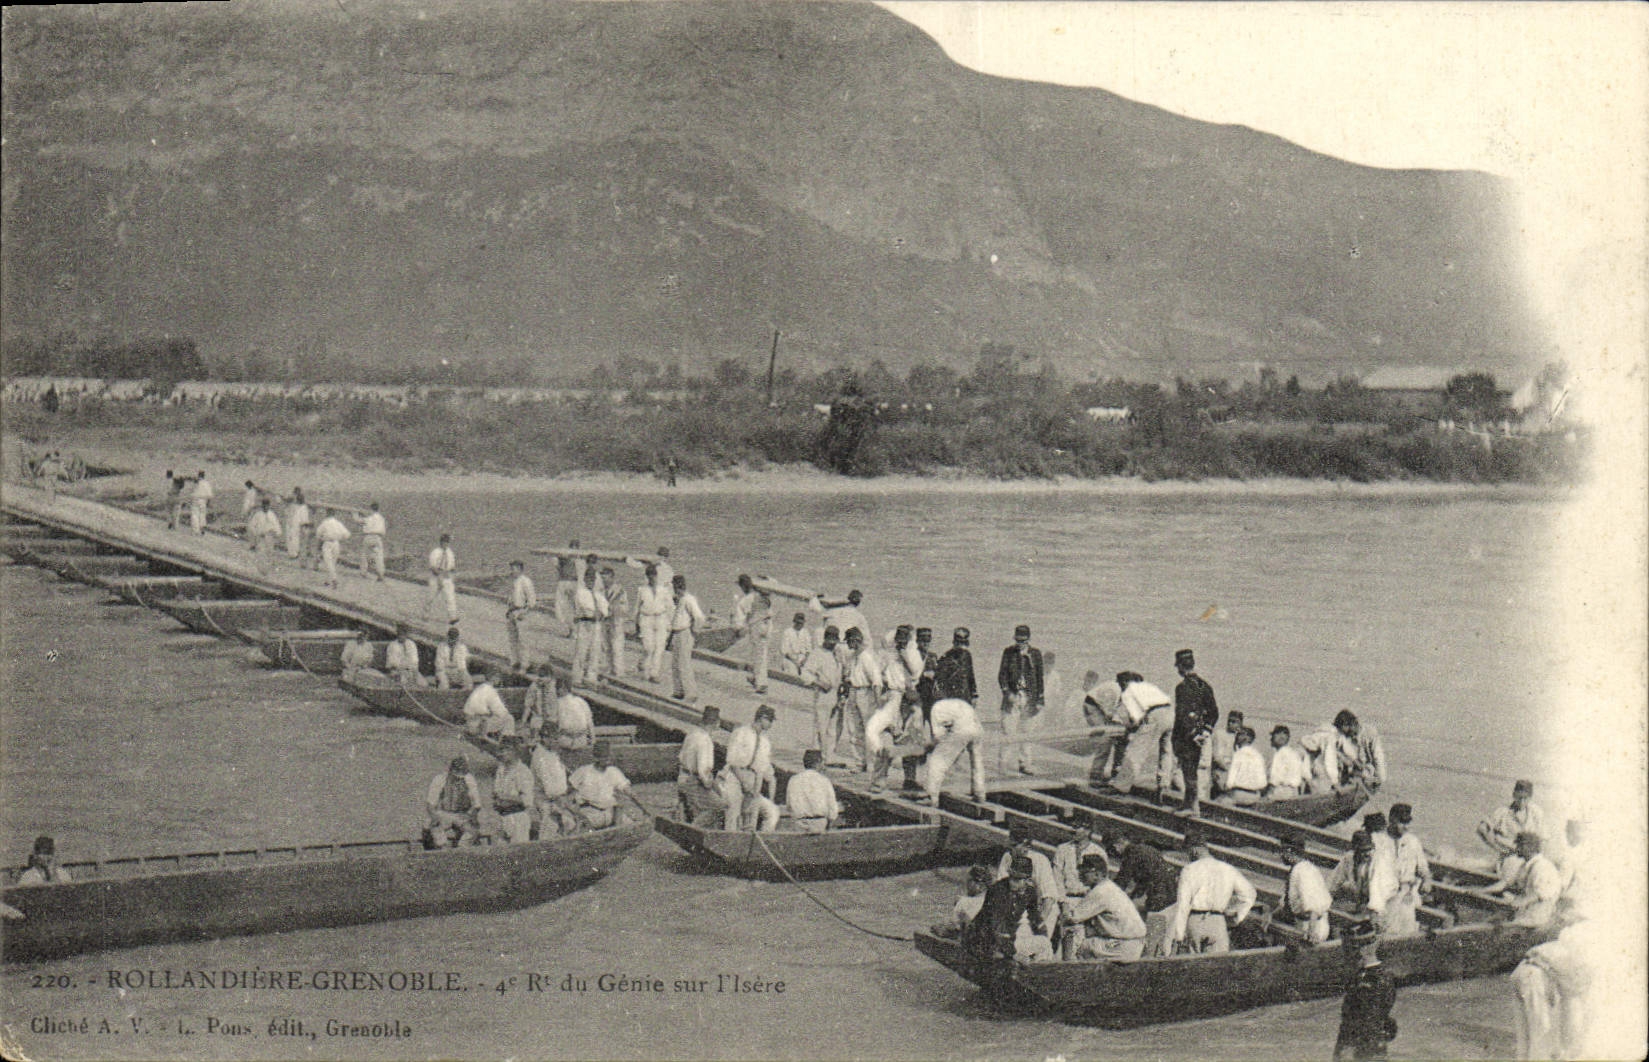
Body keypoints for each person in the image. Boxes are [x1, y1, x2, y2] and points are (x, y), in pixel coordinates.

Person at [1169, 824, 1256, 955]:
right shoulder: (1227, 868)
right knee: (1218, 968)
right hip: (1218, 921)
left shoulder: (1189, 869)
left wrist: (1179, 934)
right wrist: (1237, 917)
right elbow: (1249, 895)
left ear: (1193, 850)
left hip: (1195, 921)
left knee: (1195, 968)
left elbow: (1183, 904)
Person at [964, 853, 1056, 963]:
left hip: (1004, 939)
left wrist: (1041, 933)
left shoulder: (1030, 892)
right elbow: (996, 926)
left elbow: (1035, 919)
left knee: (1044, 943)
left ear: (1027, 880)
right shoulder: (998, 890)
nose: (1012, 882)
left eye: (1017, 879)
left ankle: (1040, 972)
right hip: (983, 938)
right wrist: (1013, 953)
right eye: (1011, 877)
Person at [1108, 833, 1181, 957]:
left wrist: (1108, 896)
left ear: (1116, 846)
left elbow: (1122, 881)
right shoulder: (1146, 848)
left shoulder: (1131, 853)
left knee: (1151, 939)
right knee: (1165, 940)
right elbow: (1146, 877)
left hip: (1158, 898)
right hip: (1171, 896)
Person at [1063, 854, 1149, 960]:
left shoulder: (1100, 891)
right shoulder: (1109, 886)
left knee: (1082, 945)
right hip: (1135, 943)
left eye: (1085, 872)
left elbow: (1072, 917)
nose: (1080, 875)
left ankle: (1075, 973)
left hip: (1124, 946)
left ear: (1097, 874)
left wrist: (1064, 904)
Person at [1334, 921, 1399, 1061]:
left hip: (1363, 1049)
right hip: (1374, 1045)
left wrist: (1345, 1051)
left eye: (1350, 949)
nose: (1347, 955)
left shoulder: (1369, 981)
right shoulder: (1384, 976)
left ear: (1362, 950)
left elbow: (1362, 1021)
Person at [1107, 670, 1174, 796]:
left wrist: (1128, 731)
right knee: (1165, 753)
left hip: (1155, 716)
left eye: (1121, 683)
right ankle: (1163, 785)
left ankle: (1120, 787)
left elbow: (1132, 720)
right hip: (1170, 713)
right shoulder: (1148, 687)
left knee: (1136, 752)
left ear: (1127, 682)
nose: (1120, 687)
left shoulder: (1129, 692)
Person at [1170, 649, 1218, 813]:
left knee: (1188, 771)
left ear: (1182, 667)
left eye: (1178, 667)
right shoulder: (1205, 686)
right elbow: (1214, 712)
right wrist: (1205, 732)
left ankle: (1192, 806)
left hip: (1185, 736)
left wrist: (1192, 734)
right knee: (1192, 771)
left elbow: (1182, 715)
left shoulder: (1182, 688)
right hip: (1199, 736)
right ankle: (1190, 804)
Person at [719, 706, 781, 831]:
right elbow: (732, 761)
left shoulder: (765, 742)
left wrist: (759, 795)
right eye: (770, 721)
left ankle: (762, 838)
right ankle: (731, 840)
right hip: (735, 777)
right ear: (762, 718)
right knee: (733, 811)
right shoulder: (741, 732)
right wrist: (743, 782)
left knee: (772, 812)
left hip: (752, 781)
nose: (771, 725)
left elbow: (763, 771)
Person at [1483, 832, 1563, 928]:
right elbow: (1505, 884)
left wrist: (1518, 903)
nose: (1516, 849)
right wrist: (1481, 891)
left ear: (1529, 847)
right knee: (1490, 921)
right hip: (1524, 912)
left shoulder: (1543, 867)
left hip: (1537, 917)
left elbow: (1539, 894)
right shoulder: (1525, 865)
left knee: (1496, 927)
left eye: (1519, 846)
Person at [995, 821, 1062, 931]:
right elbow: (1001, 887)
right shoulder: (1007, 857)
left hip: (1043, 908)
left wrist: (1039, 922)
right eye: (1010, 845)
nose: (1011, 849)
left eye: (1014, 845)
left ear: (1027, 846)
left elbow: (1049, 897)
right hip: (1017, 907)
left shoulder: (1040, 860)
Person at [997, 625, 1045, 776]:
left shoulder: (1036, 654)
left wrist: (1040, 700)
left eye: (1023, 641)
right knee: (1008, 731)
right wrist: (1007, 693)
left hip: (1029, 697)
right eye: (1018, 640)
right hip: (1013, 697)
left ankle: (1025, 763)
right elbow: (1002, 675)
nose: (1020, 644)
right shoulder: (1008, 652)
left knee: (1027, 732)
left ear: (1029, 640)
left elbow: (1039, 678)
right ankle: (1003, 764)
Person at [868, 683, 932, 794]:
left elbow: (916, 732)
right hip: (885, 732)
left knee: (914, 745)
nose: (912, 706)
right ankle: (878, 781)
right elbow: (886, 728)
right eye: (909, 703)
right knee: (886, 748)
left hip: (902, 735)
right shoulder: (891, 709)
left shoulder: (917, 712)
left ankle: (910, 780)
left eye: (915, 703)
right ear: (903, 702)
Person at [1304, 710, 1387, 793]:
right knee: (1318, 782)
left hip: (1311, 757)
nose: (1347, 734)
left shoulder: (1366, 733)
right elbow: (1330, 761)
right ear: (1344, 726)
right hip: (1311, 759)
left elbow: (1377, 756)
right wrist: (1335, 783)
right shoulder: (1331, 737)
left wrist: (1379, 778)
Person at [1478, 779, 1547, 879]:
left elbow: (1543, 839)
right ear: (1514, 795)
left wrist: (1538, 862)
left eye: (1525, 798)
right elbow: (1482, 829)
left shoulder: (1536, 813)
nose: (1522, 802)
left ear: (1530, 798)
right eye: (1519, 798)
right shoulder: (1503, 812)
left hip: (1530, 859)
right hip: (1510, 858)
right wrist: (1496, 847)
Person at [926, 696, 987, 806]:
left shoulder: (935, 708)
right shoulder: (959, 702)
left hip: (961, 730)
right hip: (977, 729)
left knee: (937, 761)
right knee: (977, 763)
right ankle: (980, 793)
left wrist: (929, 747)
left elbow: (938, 736)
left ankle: (932, 797)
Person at [1329, 830, 1397, 928]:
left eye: (1369, 849)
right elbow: (1333, 881)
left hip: (1387, 902)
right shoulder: (1349, 859)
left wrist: (1374, 912)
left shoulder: (1378, 862)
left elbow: (1377, 890)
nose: (1368, 853)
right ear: (1355, 850)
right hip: (1365, 903)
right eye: (1363, 850)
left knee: (1379, 928)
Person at [1276, 833, 1334, 943]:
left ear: (1289, 851)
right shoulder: (1298, 869)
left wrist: (1312, 933)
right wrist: (1271, 915)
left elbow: (1313, 905)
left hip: (1313, 926)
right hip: (1302, 923)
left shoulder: (1304, 871)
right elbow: (1287, 900)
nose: (1280, 855)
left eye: (1282, 851)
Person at [1385, 804, 1433, 937]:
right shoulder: (1380, 840)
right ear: (1391, 819)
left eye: (1408, 822)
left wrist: (1427, 880)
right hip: (1386, 895)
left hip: (1407, 893)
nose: (1406, 827)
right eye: (1402, 822)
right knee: (1387, 933)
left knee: (1408, 932)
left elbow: (1423, 868)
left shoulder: (1413, 841)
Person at [799, 626, 845, 763]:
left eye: (835, 640)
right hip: (823, 693)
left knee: (833, 728)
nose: (832, 643)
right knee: (821, 727)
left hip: (836, 693)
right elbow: (805, 674)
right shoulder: (817, 654)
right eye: (830, 639)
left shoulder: (837, 653)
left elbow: (842, 670)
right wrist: (819, 683)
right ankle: (819, 757)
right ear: (825, 638)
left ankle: (829, 756)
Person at [676, 705, 727, 827]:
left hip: (682, 777)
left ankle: (693, 826)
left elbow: (680, 757)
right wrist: (712, 786)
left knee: (699, 809)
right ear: (716, 723)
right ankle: (693, 830)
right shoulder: (705, 740)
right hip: (693, 781)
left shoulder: (692, 734)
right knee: (720, 807)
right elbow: (703, 771)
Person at [568, 741, 632, 829]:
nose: (608, 760)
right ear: (596, 758)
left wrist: (643, 808)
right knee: (580, 829)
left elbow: (628, 790)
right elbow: (567, 793)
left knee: (632, 827)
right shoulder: (584, 771)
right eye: (604, 757)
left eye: (609, 756)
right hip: (590, 813)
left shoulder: (614, 771)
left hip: (611, 812)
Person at [531, 726, 582, 837]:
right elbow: (551, 790)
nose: (557, 741)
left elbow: (561, 772)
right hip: (547, 801)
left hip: (557, 798)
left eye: (557, 738)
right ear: (545, 738)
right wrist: (569, 797)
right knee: (552, 830)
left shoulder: (551, 753)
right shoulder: (541, 757)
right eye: (554, 739)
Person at [845, 627, 882, 771]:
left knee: (870, 729)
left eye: (849, 641)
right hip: (853, 691)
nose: (847, 644)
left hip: (865, 693)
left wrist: (878, 702)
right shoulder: (853, 657)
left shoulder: (866, 657)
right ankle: (859, 762)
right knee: (854, 728)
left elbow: (876, 680)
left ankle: (873, 763)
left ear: (855, 641)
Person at [426, 756, 481, 848]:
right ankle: (443, 848)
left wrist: (472, 817)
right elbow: (430, 804)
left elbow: (477, 805)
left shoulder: (469, 779)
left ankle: (462, 849)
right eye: (456, 774)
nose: (459, 779)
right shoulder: (439, 779)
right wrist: (435, 818)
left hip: (462, 814)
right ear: (451, 770)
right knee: (431, 825)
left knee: (472, 831)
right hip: (444, 813)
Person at [731, 574, 774, 693]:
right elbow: (774, 584)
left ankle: (761, 683)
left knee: (758, 654)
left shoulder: (747, 599)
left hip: (757, 626)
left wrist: (738, 629)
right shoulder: (763, 595)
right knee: (761, 652)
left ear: (743, 586)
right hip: (767, 625)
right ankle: (755, 677)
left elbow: (739, 616)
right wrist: (767, 578)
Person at [669, 574, 707, 703]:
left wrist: (694, 631)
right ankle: (678, 690)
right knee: (675, 663)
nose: (674, 589)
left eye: (675, 586)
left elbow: (699, 617)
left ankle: (691, 693)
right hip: (677, 633)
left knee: (684, 664)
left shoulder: (689, 599)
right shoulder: (679, 600)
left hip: (685, 632)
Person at [784, 749, 841, 833]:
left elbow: (789, 806)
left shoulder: (793, 780)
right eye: (822, 762)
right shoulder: (824, 780)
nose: (823, 765)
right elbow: (832, 807)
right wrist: (830, 822)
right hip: (819, 823)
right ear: (818, 762)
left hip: (800, 824)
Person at [633, 562, 673, 683]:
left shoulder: (664, 590)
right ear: (647, 577)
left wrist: (670, 623)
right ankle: (643, 662)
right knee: (648, 647)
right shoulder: (642, 590)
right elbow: (637, 608)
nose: (652, 578)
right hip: (646, 618)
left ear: (657, 576)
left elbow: (670, 607)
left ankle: (654, 673)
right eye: (649, 576)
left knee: (659, 647)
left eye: (654, 575)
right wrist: (636, 623)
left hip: (660, 618)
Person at [491, 740, 536, 843]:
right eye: (500, 750)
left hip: (518, 817)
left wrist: (505, 797)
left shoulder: (523, 771)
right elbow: (496, 793)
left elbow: (528, 800)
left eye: (505, 750)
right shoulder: (500, 769)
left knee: (518, 853)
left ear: (515, 751)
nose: (501, 753)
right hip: (502, 816)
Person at [932, 865, 993, 939]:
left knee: (937, 928)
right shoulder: (993, 901)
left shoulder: (964, 901)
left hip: (968, 938)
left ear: (978, 885)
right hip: (986, 937)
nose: (966, 884)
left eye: (969, 881)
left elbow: (954, 923)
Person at [1052, 822, 1108, 899]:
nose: (1072, 830)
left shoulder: (1099, 852)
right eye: (1072, 826)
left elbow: (1102, 881)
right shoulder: (1062, 849)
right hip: (1065, 897)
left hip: (1088, 899)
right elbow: (1057, 877)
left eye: (1076, 827)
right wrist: (1063, 901)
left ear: (1087, 831)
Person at [500, 559, 537, 671]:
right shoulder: (513, 581)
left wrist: (524, 613)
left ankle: (525, 664)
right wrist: (509, 611)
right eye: (511, 569)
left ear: (520, 569)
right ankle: (514, 662)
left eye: (514, 569)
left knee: (523, 640)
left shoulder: (526, 581)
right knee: (512, 639)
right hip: (512, 611)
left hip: (521, 612)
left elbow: (532, 601)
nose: (512, 571)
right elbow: (512, 597)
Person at [552, 675, 596, 768]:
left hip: (568, 740)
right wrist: (593, 739)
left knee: (565, 766)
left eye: (557, 688)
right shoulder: (581, 701)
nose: (556, 691)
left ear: (563, 689)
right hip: (578, 740)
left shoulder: (557, 703)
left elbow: (553, 723)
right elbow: (590, 722)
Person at [1221, 726, 1267, 806]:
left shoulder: (1238, 754)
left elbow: (1230, 782)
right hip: (1255, 795)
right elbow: (1263, 782)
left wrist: (1225, 786)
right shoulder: (1259, 756)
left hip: (1239, 794)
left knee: (1220, 801)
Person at [933, 627, 978, 706]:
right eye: (959, 643)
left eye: (964, 643)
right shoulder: (946, 657)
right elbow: (940, 679)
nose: (962, 646)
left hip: (965, 697)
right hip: (951, 697)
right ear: (954, 642)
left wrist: (974, 695)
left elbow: (970, 675)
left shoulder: (967, 655)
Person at [462, 670, 514, 738]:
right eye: (498, 678)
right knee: (509, 718)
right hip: (479, 725)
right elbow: (500, 711)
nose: (499, 680)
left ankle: (496, 736)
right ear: (494, 678)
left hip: (469, 722)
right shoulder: (490, 691)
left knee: (495, 717)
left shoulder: (479, 688)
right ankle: (506, 740)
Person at [1266, 724, 1310, 798]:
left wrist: (1268, 794)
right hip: (1294, 791)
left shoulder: (1279, 754)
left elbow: (1275, 779)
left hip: (1281, 791)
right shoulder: (1295, 754)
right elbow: (1306, 775)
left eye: (1273, 736)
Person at [425, 533, 459, 624]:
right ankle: (426, 614)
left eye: (447, 542)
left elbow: (452, 566)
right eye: (444, 542)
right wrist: (438, 575)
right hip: (436, 577)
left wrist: (452, 574)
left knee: (450, 597)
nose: (446, 544)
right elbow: (432, 566)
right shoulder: (435, 552)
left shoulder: (450, 552)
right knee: (431, 597)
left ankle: (452, 617)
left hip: (446, 577)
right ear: (441, 542)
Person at [1209, 710, 1244, 795]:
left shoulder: (1240, 737)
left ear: (1240, 724)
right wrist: (1229, 769)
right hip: (1221, 770)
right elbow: (1217, 757)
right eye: (1229, 721)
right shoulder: (1220, 734)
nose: (1230, 724)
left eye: (1234, 722)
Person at [600, 567, 627, 678]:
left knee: (617, 645)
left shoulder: (619, 590)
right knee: (606, 645)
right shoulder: (600, 591)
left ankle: (619, 670)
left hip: (616, 620)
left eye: (606, 578)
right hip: (604, 620)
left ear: (612, 577)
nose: (604, 580)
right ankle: (610, 668)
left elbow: (624, 607)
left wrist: (614, 610)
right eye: (603, 578)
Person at [314, 509, 351, 588]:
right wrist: (340, 538)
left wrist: (321, 538)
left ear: (327, 514)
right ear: (334, 514)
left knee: (328, 562)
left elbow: (318, 533)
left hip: (327, 543)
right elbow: (347, 534)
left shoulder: (325, 523)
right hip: (336, 543)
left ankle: (334, 579)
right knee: (332, 563)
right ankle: (328, 580)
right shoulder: (338, 523)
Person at [519, 665, 555, 740]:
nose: (540, 679)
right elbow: (528, 705)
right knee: (535, 727)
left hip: (551, 717)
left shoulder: (554, 687)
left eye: (543, 676)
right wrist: (523, 721)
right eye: (539, 676)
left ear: (550, 677)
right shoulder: (534, 686)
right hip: (538, 716)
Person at [553, 542, 581, 635]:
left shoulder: (580, 558)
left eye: (575, 548)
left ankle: (574, 630)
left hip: (574, 582)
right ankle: (571, 629)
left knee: (574, 607)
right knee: (563, 607)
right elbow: (556, 563)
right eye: (572, 548)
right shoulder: (564, 558)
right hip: (564, 581)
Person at [913, 626, 940, 719]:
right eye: (923, 640)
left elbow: (939, 673)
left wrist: (935, 675)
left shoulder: (932, 656)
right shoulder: (913, 655)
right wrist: (923, 675)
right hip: (916, 692)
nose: (926, 643)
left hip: (930, 693)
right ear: (917, 641)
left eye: (928, 641)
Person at [434, 626, 473, 691]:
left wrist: (460, 674)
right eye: (451, 638)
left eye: (454, 639)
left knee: (468, 682)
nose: (452, 641)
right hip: (444, 671)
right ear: (447, 637)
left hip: (457, 671)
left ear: (457, 638)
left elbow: (462, 666)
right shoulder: (441, 646)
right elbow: (439, 665)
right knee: (444, 686)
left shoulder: (462, 648)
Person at [358, 501, 387, 580]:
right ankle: (380, 574)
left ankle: (363, 572)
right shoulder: (381, 518)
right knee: (379, 556)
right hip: (378, 538)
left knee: (364, 555)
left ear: (371, 509)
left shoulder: (369, 518)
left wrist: (355, 514)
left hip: (368, 537)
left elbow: (358, 520)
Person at [284, 487, 312, 560]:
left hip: (294, 524)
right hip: (294, 524)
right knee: (293, 538)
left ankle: (293, 553)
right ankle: (294, 553)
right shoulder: (298, 506)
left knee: (292, 538)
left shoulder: (295, 505)